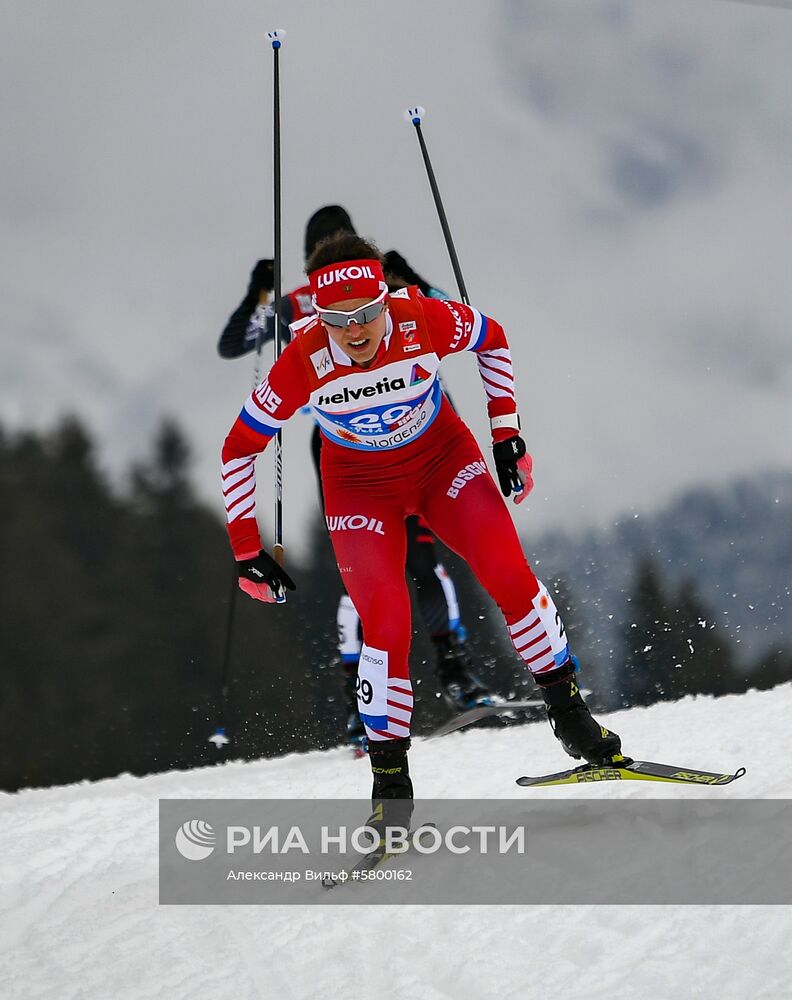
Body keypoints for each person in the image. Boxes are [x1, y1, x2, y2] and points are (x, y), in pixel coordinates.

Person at [221, 232, 621, 811]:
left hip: (442, 463)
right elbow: (239, 447)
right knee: (385, 622)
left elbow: (493, 339)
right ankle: (390, 787)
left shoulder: (420, 320)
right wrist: (246, 551)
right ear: (319, 315)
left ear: (386, 299)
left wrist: (506, 435)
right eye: (337, 319)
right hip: (360, 488)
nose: (355, 331)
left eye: (366, 314)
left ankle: (572, 717)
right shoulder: (303, 358)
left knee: (509, 577)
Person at [218, 207, 494, 750]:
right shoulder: (305, 304)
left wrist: (410, 279)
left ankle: (417, 684)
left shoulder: (383, 293)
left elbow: (454, 319)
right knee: (390, 569)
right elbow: (235, 343)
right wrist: (258, 295)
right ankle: (410, 688)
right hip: (350, 451)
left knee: (405, 565)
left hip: (411, 436)